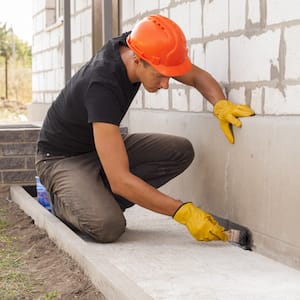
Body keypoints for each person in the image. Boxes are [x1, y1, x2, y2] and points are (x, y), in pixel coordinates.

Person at [35, 15, 254, 243]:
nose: (166, 84)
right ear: (137, 60)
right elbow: (120, 180)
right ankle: (64, 202)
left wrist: (220, 104)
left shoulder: (143, 46)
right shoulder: (102, 87)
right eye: (160, 76)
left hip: (97, 147)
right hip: (61, 159)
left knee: (179, 151)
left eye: (168, 76)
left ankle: (98, 198)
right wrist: (183, 212)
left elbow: (196, 76)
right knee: (108, 226)